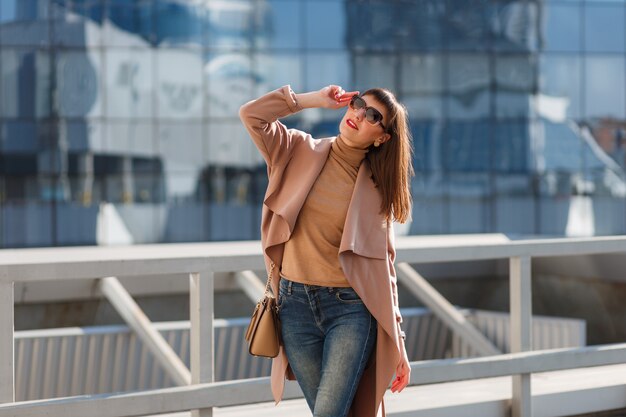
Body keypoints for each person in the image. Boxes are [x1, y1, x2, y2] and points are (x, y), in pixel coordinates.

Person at [239, 84, 414, 417]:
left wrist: (399, 341)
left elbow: (383, 267)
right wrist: (311, 101)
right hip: (294, 309)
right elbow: (251, 115)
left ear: (382, 137)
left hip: (349, 312)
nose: (359, 114)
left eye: (373, 116)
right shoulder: (295, 150)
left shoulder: (377, 190)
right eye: (358, 104)